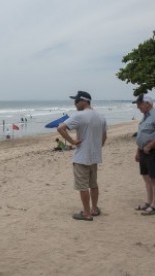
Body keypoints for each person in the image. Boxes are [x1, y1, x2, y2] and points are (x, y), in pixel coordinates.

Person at [57, 91, 107, 221]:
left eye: (76, 101)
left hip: (81, 157)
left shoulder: (80, 115)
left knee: (83, 186)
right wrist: (96, 147)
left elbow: (60, 128)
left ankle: (86, 213)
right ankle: (94, 209)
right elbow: (104, 137)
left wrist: (73, 142)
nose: (74, 104)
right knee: (93, 184)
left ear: (84, 101)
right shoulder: (100, 117)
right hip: (94, 157)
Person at [133, 94, 155, 216]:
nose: (138, 107)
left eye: (139, 104)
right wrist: (139, 151)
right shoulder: (145, 117)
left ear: (147, 103)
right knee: (146, 178)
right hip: (143, 151)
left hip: (153, 151)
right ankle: (148, 202)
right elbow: (142, 135)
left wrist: (150, 145)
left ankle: (154, 206)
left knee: (153, 179)